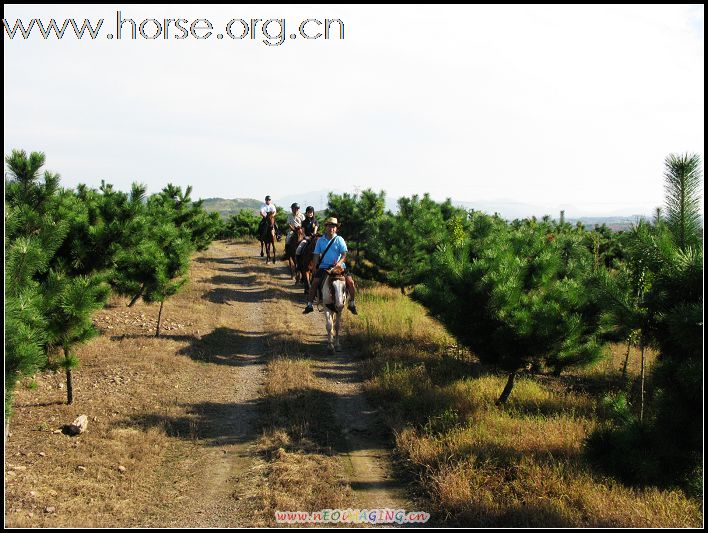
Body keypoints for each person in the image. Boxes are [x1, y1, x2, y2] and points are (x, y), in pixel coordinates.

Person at [303, 217, 357, 315]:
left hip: (339, 267)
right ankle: (310, 304)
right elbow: (316, 254)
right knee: (315, 282)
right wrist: (315, 267)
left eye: (333, 227)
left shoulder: (339, 239)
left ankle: (352, 303)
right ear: (326, 227)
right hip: (324, 267)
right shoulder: (320, 241)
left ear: (336, 229)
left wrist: (338, 264)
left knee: (350, 282)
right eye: (329, 226)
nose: (331, 228)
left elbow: (344, 254)